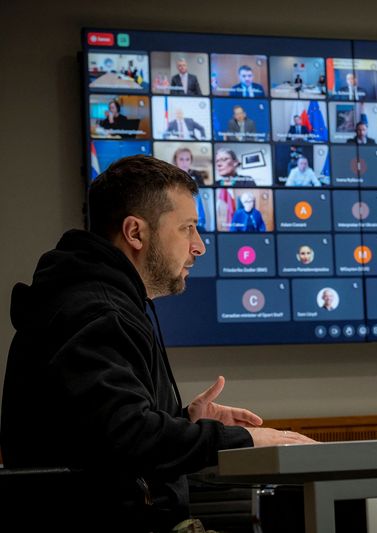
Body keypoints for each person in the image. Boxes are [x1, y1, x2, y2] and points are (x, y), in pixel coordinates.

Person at [0, 155, 315, 532]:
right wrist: (244, 439)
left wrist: (184, 423)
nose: (198, 246)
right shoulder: (98, 312)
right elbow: (125, 437)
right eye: (187, 228)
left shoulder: (93, 300)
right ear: (135, 233)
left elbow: (101, 435)